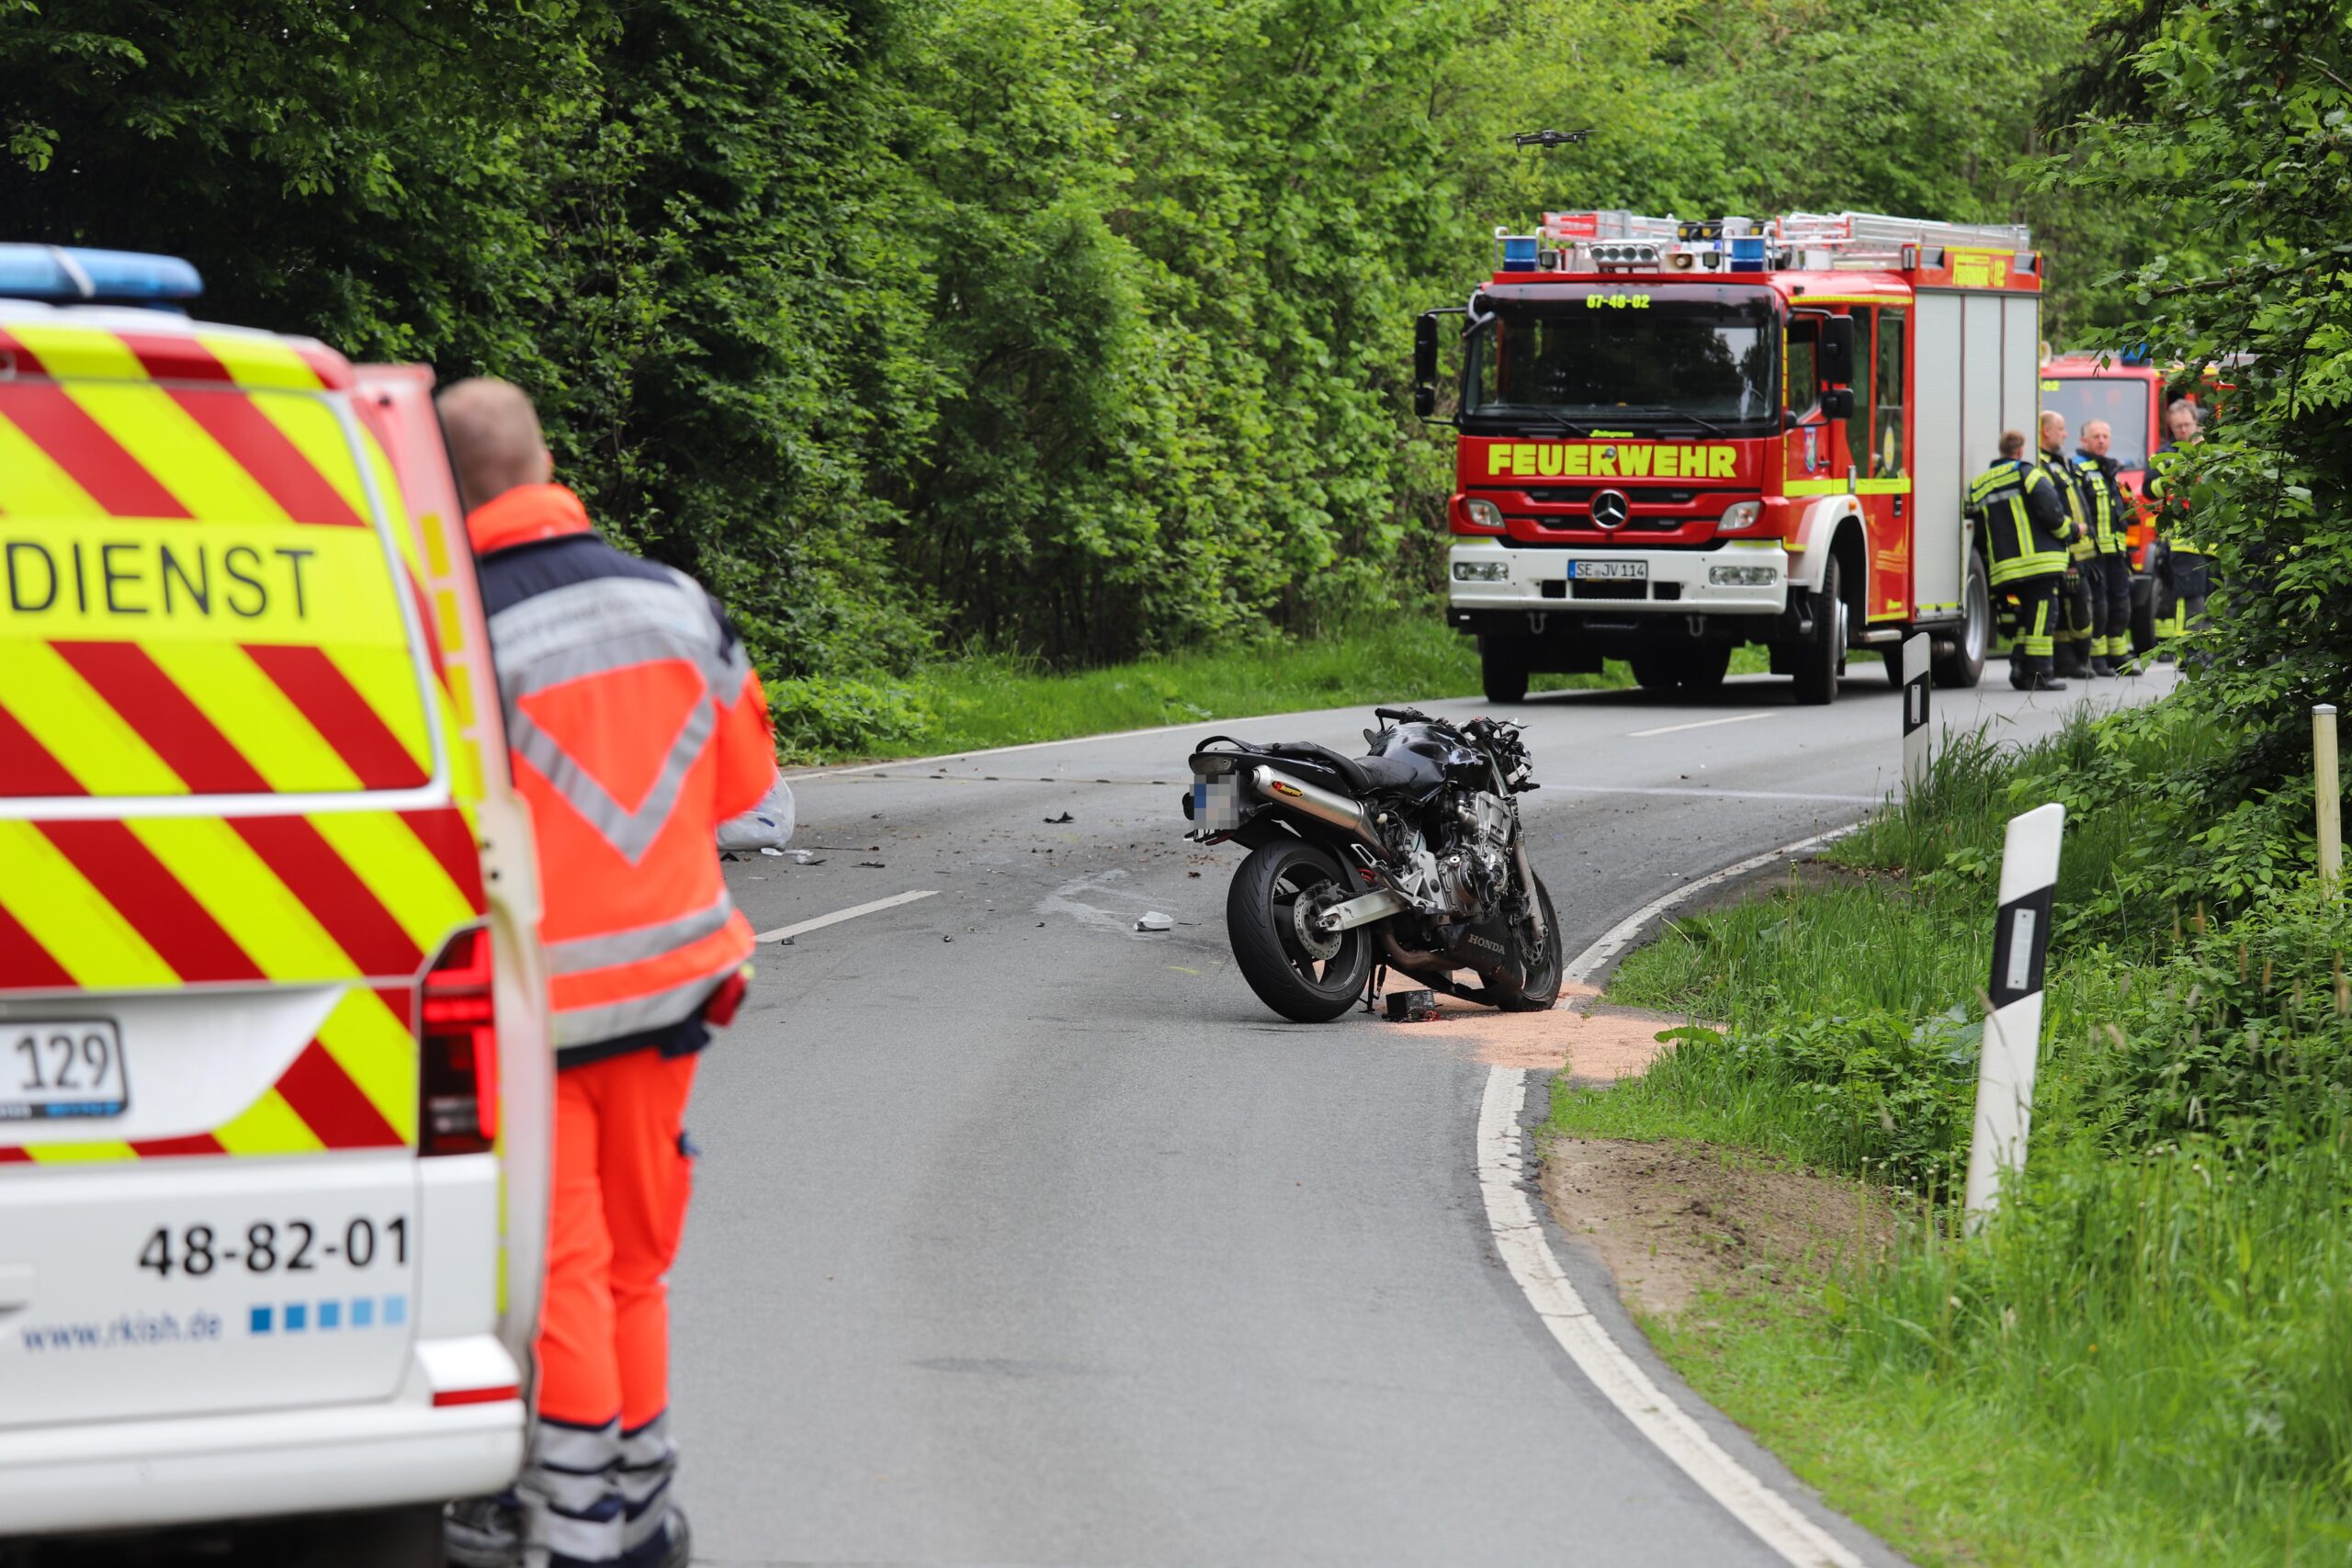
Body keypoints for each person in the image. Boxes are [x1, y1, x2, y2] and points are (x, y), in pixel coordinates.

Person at [436, 379, 778, 1568]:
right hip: (675, 996)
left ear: (451, 485)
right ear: (545, 461)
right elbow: (748, 795)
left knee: (568, 1269)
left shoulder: (455, 631)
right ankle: (638, 1513)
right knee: (639, 1264)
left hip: (539, 1016)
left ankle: (578, 1528)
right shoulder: (678, 602)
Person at [1971, 428, 2072, 692]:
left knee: (2028, 618)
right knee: (2042, 618)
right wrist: (2072, 532)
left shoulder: (1980, 484)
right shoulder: (2029, 474)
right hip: (2040, 562)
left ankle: (2019, 669)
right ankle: (2040, 674)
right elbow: (2052, 513)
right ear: (2020, 451)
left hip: (2005, 567)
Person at [2073, 418, 2135, 675]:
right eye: (2096, 436)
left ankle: (2118, 655)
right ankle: (2096, 659)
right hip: (2094, 553)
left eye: (2105, 436)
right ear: (2083, 440)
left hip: (2116, 553)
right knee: (2099, 606)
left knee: (2120, 604)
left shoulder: (2109, 470)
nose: (2101, 441)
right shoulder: (2078, 469)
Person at [2037, 412, 2097, 678]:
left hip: (2081, 551)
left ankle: (2077, 661)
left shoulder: (2060, 463)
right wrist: (2070, 557)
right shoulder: (2041, 467)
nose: (2066, 434)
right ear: (2046, 431)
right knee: (2072, 610)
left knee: (2079, 607)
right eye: (2061, 429)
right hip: (2066, 552)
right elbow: (2052, 512)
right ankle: (2070, 662)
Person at [2146, 397, 2210, 646]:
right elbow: (2148, 488)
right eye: (2177, 427)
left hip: (2211, 538)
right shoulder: (2164, 455)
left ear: (2196, 421)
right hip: (2182, 538)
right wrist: (2171, 482)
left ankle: (2205, 646)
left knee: (2209, 595)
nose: (2183, 431)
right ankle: (2188, 648)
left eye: (2186, 425)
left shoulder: (2208, 452)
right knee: (2189, 594)